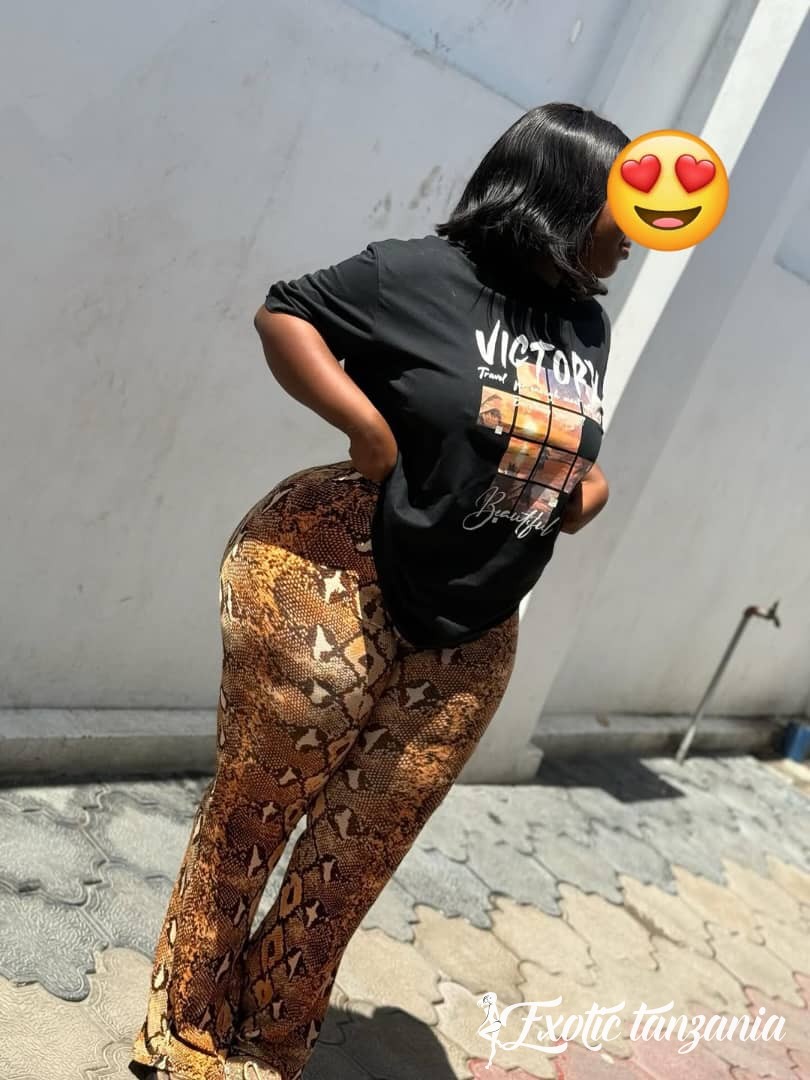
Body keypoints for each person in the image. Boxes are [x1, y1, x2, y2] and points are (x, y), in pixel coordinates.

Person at [128, 101, 632, 1080]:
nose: (634, 235)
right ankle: (183, 1029)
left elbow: (546, 433)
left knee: (354, 859)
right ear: (563, 194)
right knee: (253, 820)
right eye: (622, 209)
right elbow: (285, 312)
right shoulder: (421, 276)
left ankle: (269, 1042)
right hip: (341, 572)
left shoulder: (585, 322)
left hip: (477, 618)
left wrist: (585, 484)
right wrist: (364, 426)